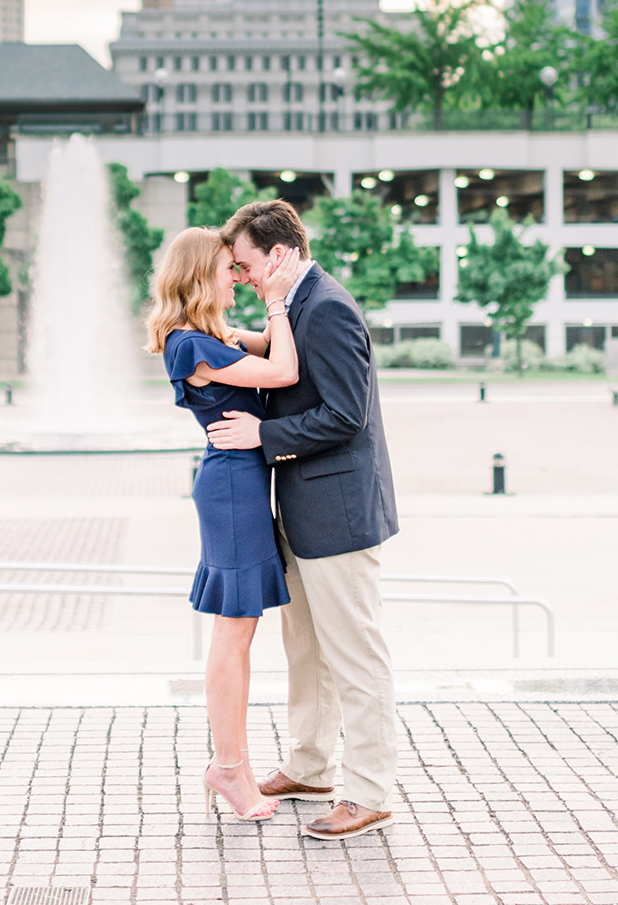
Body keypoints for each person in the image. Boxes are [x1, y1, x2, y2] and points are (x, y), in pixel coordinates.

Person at [208, 198, 400, 841]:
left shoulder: (329, 307)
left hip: (338, 511)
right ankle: (311, 766)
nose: (238, 277)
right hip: (302, 506)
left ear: (281, 255)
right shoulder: (299, 303)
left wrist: (264, 434)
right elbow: (300, 372)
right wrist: (248, 341)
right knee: (307, 649)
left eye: (244, 265)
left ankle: (370, 792)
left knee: (355, 654)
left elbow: (346, 415)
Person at [143, 226, 303, 823]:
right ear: (199, 275)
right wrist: (277, 299)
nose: (237, 278)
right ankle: (229, 770)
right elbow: (283, 370)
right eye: (227, 269)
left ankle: (230, 765)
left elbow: (268, 347)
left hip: (239, 486)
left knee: (240, 634)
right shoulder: (191, 346)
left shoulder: (208, 336)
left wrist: (269, 313)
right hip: (232, 491)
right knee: (234, 637)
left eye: (241, 269)